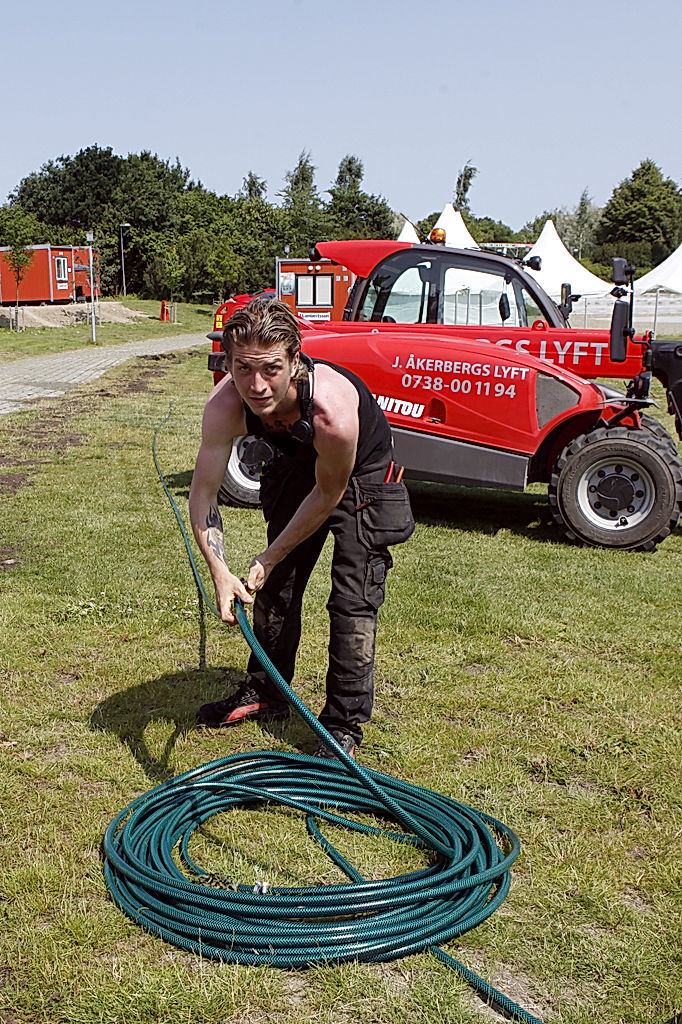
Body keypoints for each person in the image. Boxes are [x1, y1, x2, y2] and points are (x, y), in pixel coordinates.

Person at [188, 297, 414, 758]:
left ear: (295, 361)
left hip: (358, 473)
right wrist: (220, 570)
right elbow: (203, 493)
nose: (257, 385)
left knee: (352, 599)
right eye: (243, 368)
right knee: (274, 588)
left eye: (271, 368)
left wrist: (269, 554)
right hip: (296, 463)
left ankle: (342, 727)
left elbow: (328, 495)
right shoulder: (225, 405)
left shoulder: (331, 412)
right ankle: (266, 692)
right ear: (227, 362)